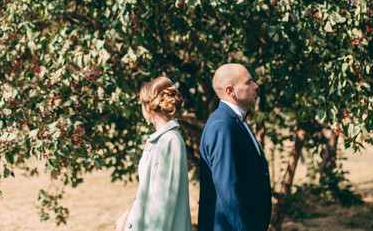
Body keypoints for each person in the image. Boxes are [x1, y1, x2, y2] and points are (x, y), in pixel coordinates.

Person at [198, 63, 272, 231]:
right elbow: (228, 189)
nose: (256, 86)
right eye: (248, 82)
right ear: (230, 91)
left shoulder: (235, 121)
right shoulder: (222, 125)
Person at [115, 76, 193, 231]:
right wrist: (127, 215)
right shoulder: (156, 140)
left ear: (147, 108)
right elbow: (146, 190)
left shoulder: (170, 141)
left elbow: (165, 204)